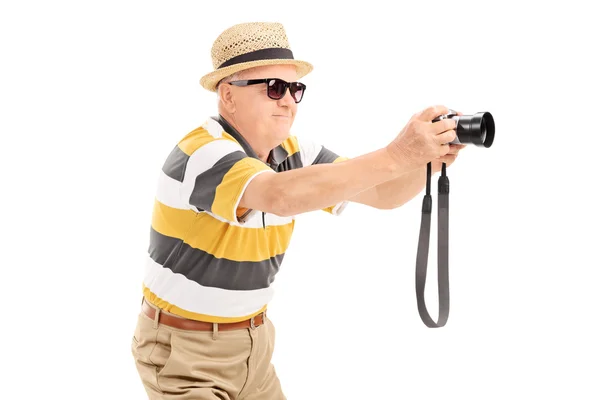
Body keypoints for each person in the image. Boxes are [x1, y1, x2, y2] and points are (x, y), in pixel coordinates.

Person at [130, 21, 466, 400]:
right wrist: (396, 154)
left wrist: (431, 161)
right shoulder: (202, 152)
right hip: (185, 353)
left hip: (253, 348)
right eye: (274, 88)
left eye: (295, 89)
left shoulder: (293, 152)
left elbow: (382, 192)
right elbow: (277, 196)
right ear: (228, 95)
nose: (288, 100)